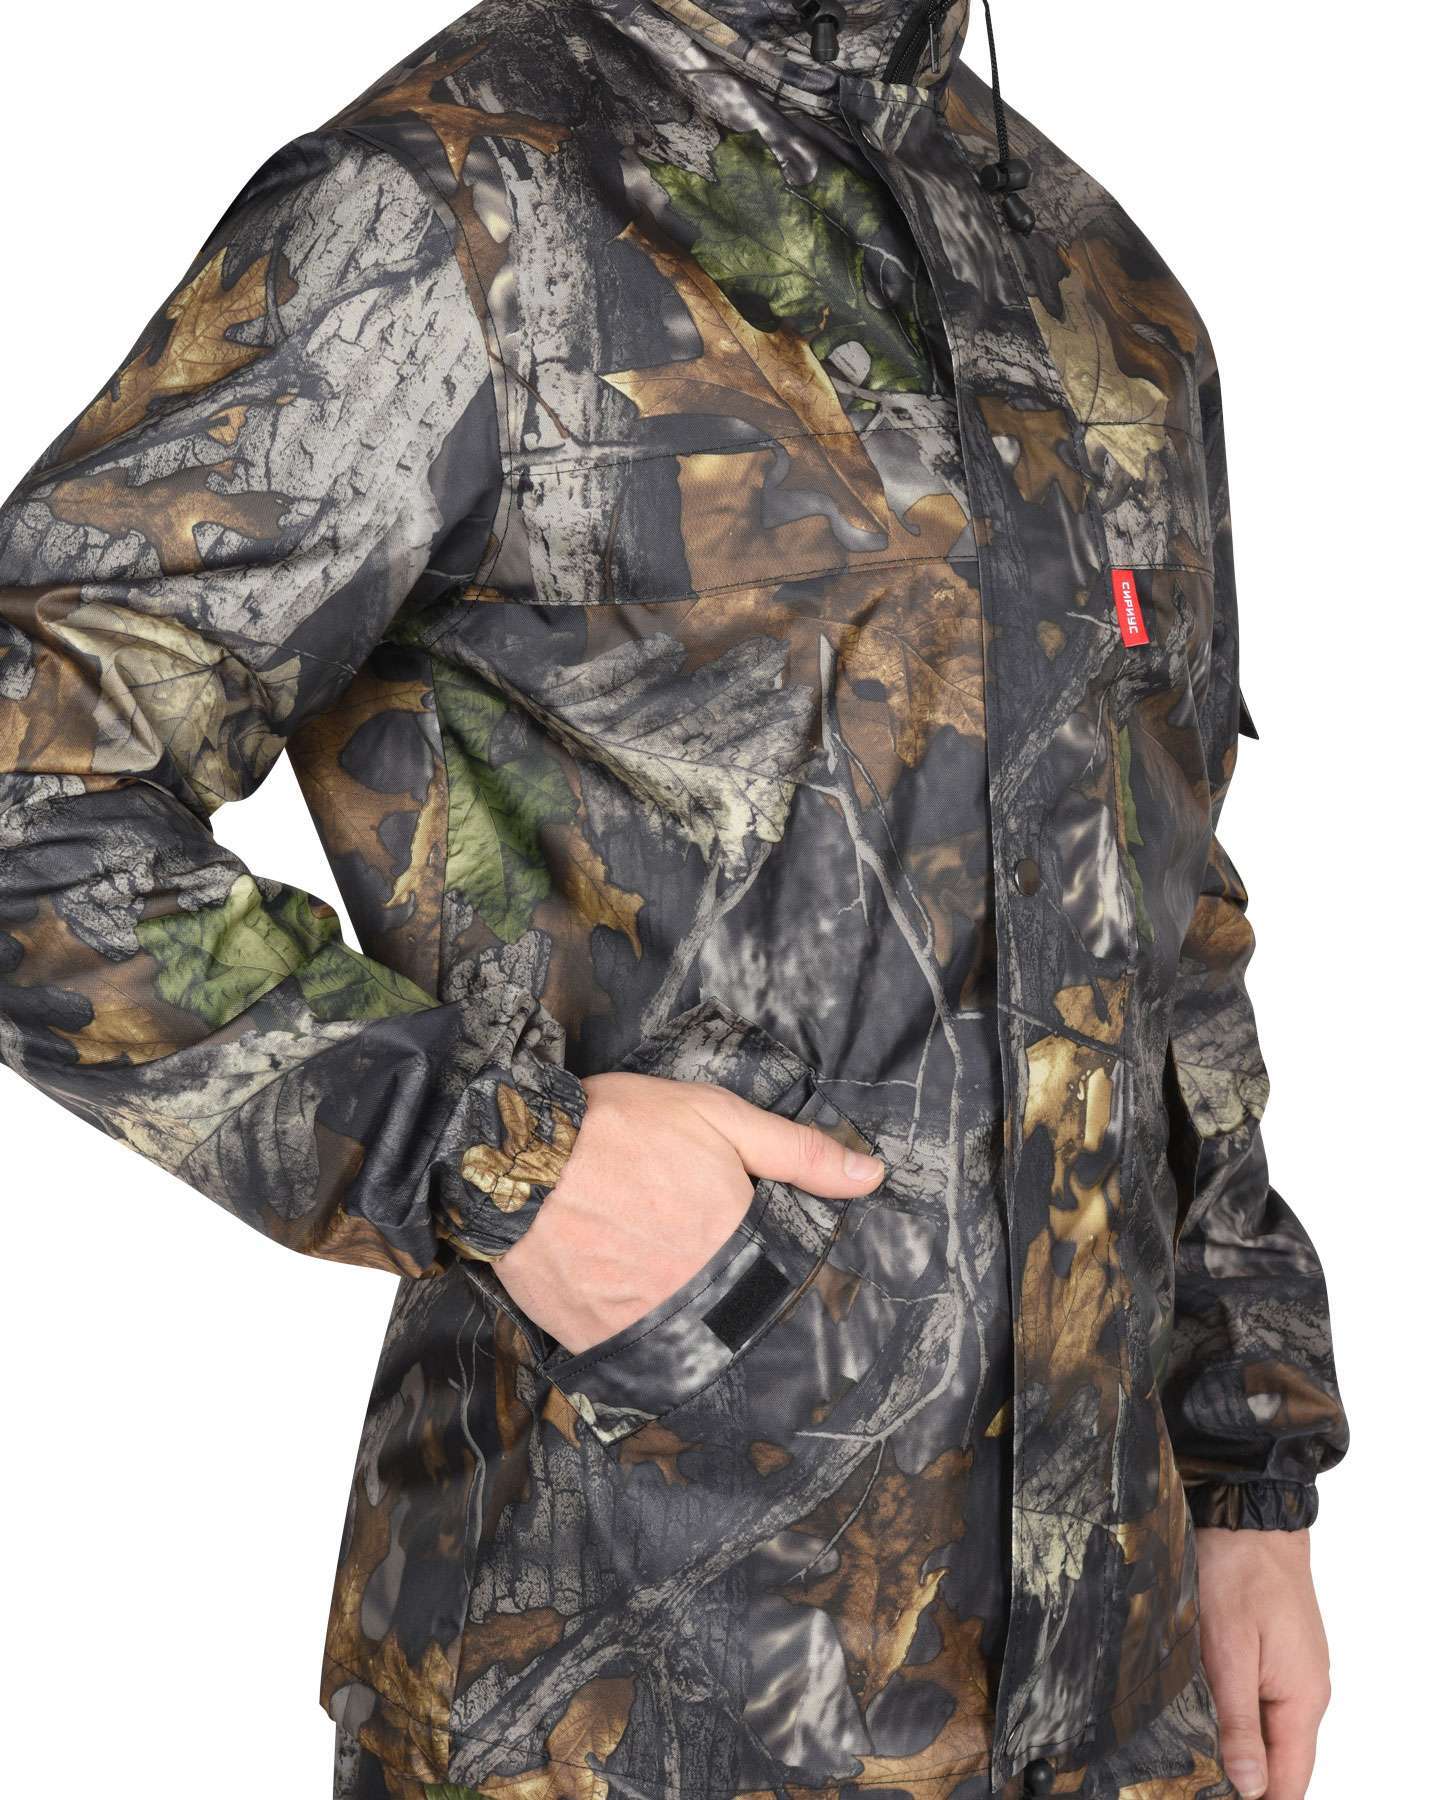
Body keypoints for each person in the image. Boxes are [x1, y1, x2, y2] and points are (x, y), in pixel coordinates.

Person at [0, 2, 1349, 1796]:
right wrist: (496, 1158)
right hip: (625, 1684)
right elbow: (32, 775)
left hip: (1118, 1694)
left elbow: (1164, 911)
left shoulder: (1098, 279)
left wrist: (1248, 1472)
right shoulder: (462, 203)